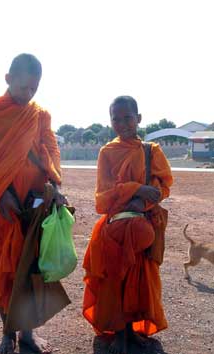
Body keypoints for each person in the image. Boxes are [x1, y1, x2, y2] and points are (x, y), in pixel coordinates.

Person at [0, 53, 67, 354]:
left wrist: (55, 183)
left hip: (34, 207)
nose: (28, 95)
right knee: (3, 272)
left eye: (34, 89)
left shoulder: (40, 115)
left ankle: (27, 334)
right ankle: (6, 336)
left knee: (29, 271)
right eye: (23, 87)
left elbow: (50, 149)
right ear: (8, 79)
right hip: (1, 210)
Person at [83, 96, 173, 354]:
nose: (122, 123)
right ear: (110, 121)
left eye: (127, 118)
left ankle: (133, 334)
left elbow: (162, 188)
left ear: (139, 118)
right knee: (115, 282)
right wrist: (136, 189)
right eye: (116, 118)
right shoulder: (107, 153)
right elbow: (102, 199)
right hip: (114, 231)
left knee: (141, 283)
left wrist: (141, 204)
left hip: (144, 226)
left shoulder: (151, 151)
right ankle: (119, 336)